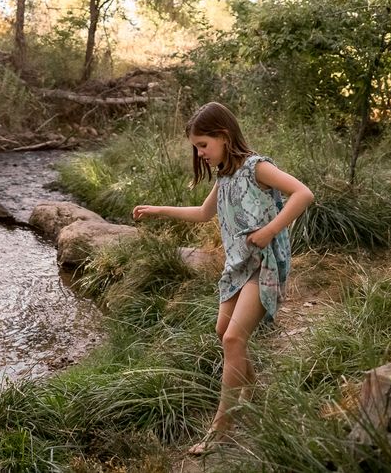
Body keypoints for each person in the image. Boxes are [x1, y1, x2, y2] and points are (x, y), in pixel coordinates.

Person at [132, 102, 313, 452]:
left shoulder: (256, 167)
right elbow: (203, 213)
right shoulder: (225, 174)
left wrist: (270, 230)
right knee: (223, 332)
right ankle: (253, 392)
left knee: (232, 339)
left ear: (225, 137)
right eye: (196, 148)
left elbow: (303, 193)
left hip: (264, 264)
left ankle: (222, 428)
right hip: (238, 266)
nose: (199, 154)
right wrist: (157, 210)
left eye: (203, 145)